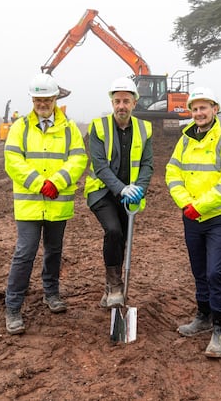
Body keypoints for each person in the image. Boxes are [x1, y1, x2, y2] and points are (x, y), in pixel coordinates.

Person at [4, 73, 88, 335]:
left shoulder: (69, 128)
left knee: (53, 252)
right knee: (24, 253)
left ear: (55, 99)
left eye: (47, 99)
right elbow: (12, 161)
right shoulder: (20, 127)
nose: (42, 103)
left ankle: (51, 294)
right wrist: (40, 183)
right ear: (33, 99)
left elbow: (78, 159)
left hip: (57, 204)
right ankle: (13, 307)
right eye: (38, 99)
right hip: (29, 204)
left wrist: (58, 182)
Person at [165, 87, 221, 358]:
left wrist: (199, 205)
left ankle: (220, 327)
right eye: (194, 109)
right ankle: (203, 315)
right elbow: (172, 171)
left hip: (220, 218)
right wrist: (184, 202)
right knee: (199, 270)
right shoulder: (185, 140)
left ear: (215, 109)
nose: (199, 113)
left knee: (215, 272)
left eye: (204, 108)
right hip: (191, 217)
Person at [84, 77, 153, 308]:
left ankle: (109, 287)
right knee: (113, 231)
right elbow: (100, 165)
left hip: (130, 195)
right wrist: (121, 188)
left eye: (126, 101)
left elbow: (147, 164)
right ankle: (115, 286)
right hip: (102, 193)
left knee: (122, 239)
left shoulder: (145, 128)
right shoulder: (98, 126)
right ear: (112, 103)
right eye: (117, 101)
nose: (121, 106)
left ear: (134, 103)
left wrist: (139, 189)